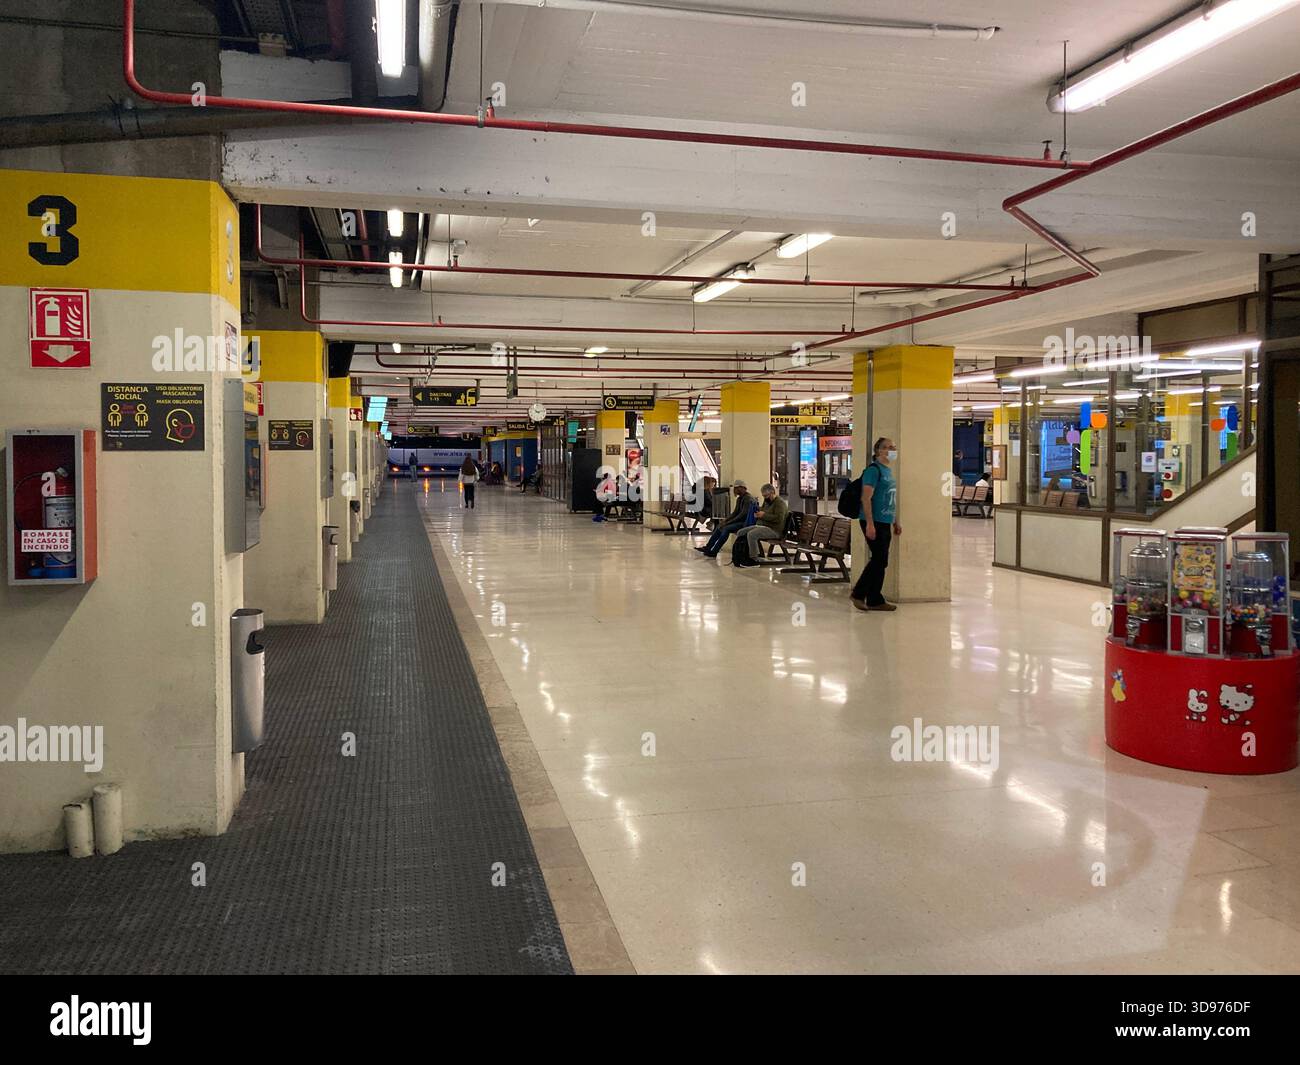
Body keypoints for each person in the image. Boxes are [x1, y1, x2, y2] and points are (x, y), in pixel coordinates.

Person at [850, 437, 901, 613]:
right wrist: (870, 524)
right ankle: (859, 593)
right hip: (873, 520)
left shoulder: (888, 471)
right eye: (886, 447)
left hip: (885, 520)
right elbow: (866, 498)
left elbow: (889, 498)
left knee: (881, 560)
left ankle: (874, 598)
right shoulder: (873, 471)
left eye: (892, 446)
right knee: (879, 559)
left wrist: (895, 520)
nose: (890, 450)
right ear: (878, 451)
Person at [696, 480, 755, 557]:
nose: (735, 490)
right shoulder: (740, 498)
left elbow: (742, 515)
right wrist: (726, 520)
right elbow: (735, 513)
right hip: (740, 521)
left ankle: (714, 551)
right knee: (720, 526)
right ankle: (708, 547)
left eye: (736, 488)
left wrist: (728, 522)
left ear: (742, 488)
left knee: (726, 528)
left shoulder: (748, 499)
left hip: (746, 523)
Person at [734, 484, 788, 567]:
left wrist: (763, 515)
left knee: (752, 534)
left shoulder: (780, 503)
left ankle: (754, 558)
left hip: (775, 530)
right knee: (741, 532)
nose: (765, 498)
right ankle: (741, 555)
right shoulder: (767, 502)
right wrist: (758, 513)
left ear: (772, 492)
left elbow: (779, 519)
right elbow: (763, 511)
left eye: (766, 496)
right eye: (763, 496)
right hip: (764, 526)